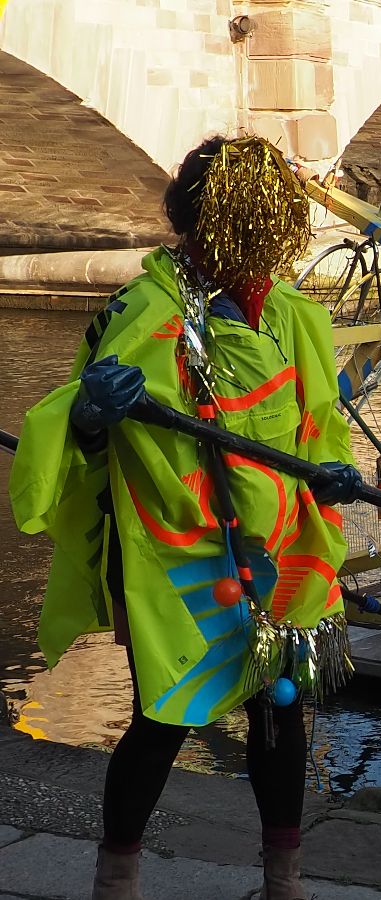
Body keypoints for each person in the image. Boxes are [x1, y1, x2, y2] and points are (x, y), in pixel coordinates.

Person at [9, 135, 361, 900]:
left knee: (279, 709)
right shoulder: (147, 311)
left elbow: (319, 424)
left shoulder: (293, 315)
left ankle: (283, 879)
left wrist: (335, 476)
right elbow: (79, 428)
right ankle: (117, 877)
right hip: (175, 552)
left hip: (277, 548)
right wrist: (93, 415)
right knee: (165, 713)